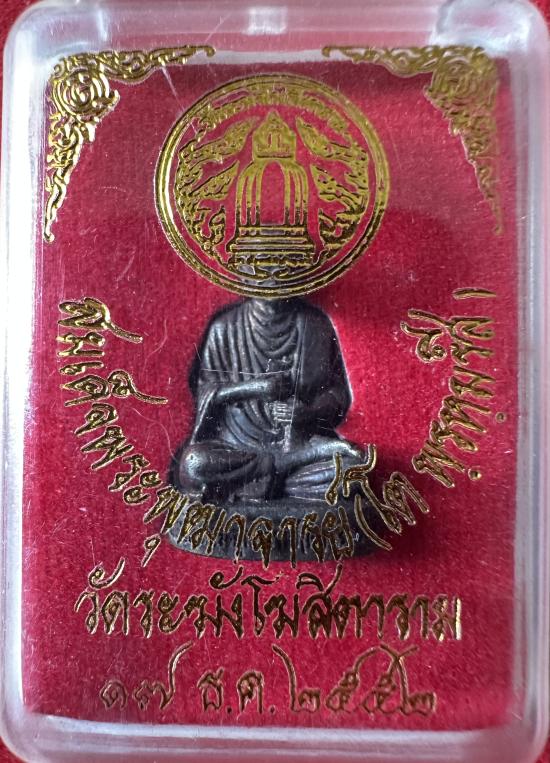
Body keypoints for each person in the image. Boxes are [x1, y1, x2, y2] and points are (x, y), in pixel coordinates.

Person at [172, 297, 365, 505]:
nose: (271, 281)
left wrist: (309, 412)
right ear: (245, 278)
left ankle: (271, 477)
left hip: (297, 442)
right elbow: (206, 393)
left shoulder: (315, 324)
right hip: (238, 447)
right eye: (262, 277)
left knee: (351, 471)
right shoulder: (224, 327)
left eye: (279, 276)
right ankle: (284, 466)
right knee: (194, 463)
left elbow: (336, 395)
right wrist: (253, 388)